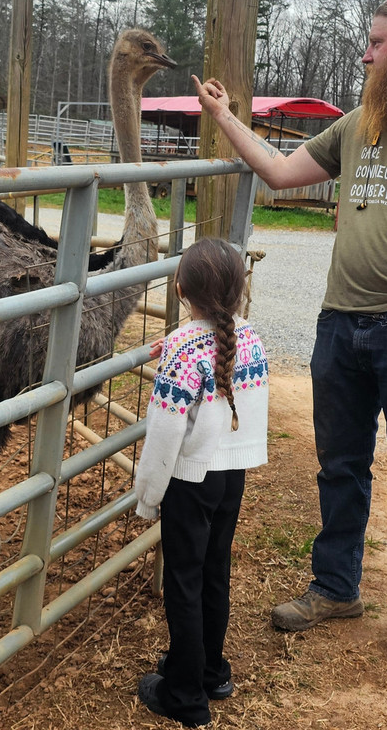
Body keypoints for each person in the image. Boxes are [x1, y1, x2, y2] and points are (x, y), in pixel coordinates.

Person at [192, 0, 387, 669]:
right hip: (341, 326)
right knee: (340, 467)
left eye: (375, 43)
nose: (365, 54)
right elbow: (278, 174)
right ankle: (336, 588)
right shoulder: (363, 122)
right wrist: (223, 119)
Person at [134, 237, 270, 727]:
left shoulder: (184, 354)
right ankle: (212, 671)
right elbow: (217, 363)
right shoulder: (248, 338)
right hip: (231, 475)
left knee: (183, 583)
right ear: (238, 291)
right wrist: (174, 344)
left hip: (191, 480)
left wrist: (149, 495)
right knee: (215, 571)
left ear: (179, 288)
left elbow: (166, 431)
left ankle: (186, 696)